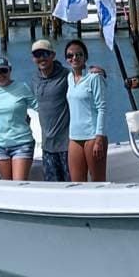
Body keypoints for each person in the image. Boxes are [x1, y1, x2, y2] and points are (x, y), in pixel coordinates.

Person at [30, 38, 106, 183]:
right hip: (49, 146)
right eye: (37, 55)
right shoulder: (36, 79)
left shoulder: (65, 75)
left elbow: (100, 105)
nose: (41, 58)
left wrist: (101, 71)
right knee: (59, 189)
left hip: (68, 143)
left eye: (45, 54)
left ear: (53, 55)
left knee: (87, 182)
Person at [0, 55, 38, 181]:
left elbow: (39, 106)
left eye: (4, 70)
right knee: (6, 185)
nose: (1, 75)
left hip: (22, 143)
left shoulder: (22, 87)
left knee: (18, 184)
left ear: (10, 70)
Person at [64, 38, 108, 182]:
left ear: (85, 57)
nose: (74, 58)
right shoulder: (69, 78)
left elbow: (101, 107)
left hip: (92, 136)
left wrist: (99, 138)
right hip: (74, 137)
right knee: (77, 184)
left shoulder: (94, 77)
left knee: (98, 182)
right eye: (70, 56)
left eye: (79, 54)